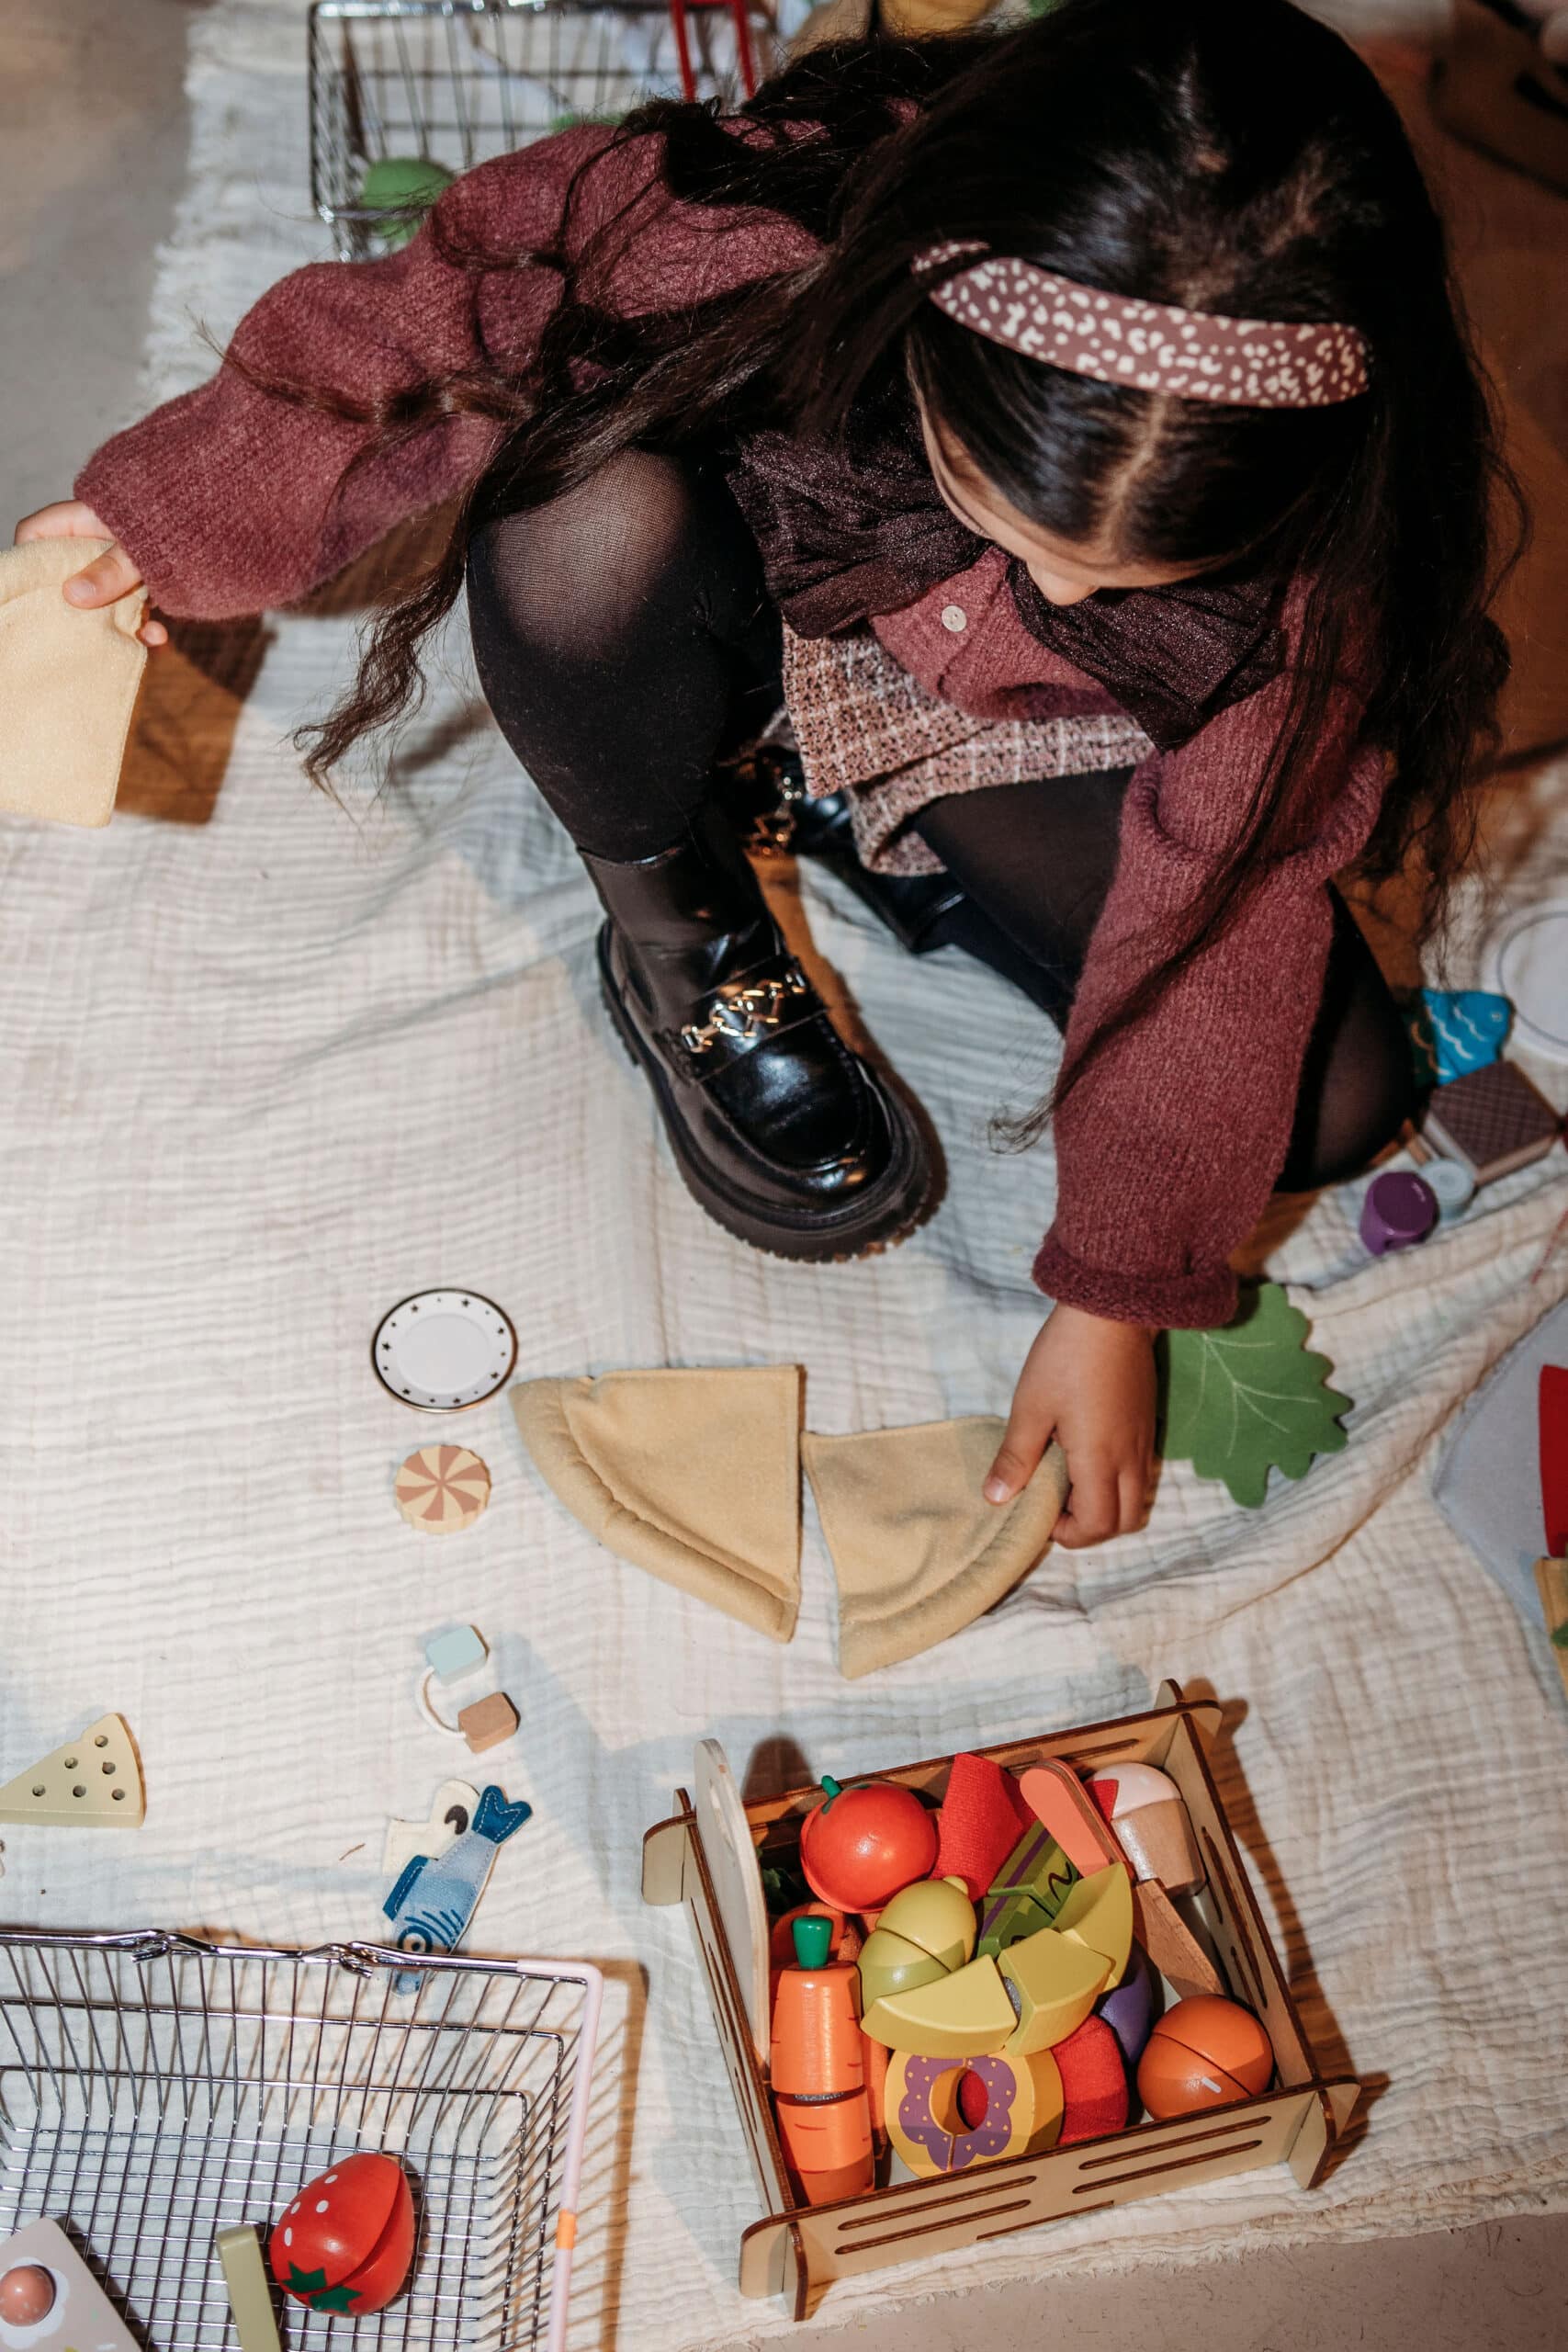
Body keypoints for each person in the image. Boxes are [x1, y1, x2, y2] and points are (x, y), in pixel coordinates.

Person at [17, 1, 1516, 1547]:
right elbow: (436, 315)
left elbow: (1220, 918)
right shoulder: (766, 219)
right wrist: (162, 514)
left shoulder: (1325, 573)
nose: (1062, 595)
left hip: (1049, 742)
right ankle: (680, 914)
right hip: (779, 625)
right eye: (1002, 509)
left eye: (1123, 579)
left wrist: (1119, 1291)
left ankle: (868, 825)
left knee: (1333, 1106)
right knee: (576, 517)